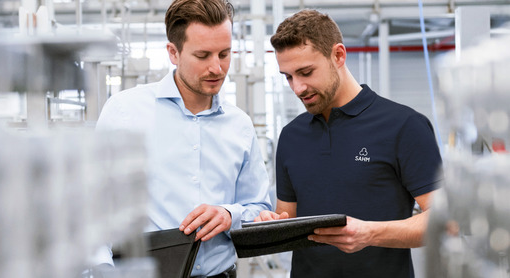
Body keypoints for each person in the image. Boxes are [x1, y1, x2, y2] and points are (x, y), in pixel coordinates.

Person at [254, 9, 443, 278]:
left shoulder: (404, 126)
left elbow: (444, 221)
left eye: (306, 72)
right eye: (288, 76)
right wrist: (270, 224)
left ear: (339, 55)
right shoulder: (291, 135)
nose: (297, 88)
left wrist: (371, 234)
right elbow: (287, 217)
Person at [96, 0, 272, 277]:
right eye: (203, 56)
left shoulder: (240, 125)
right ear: (173, 53)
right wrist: (101, 269)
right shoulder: (124, 112)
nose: (217, 68)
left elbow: (259, 207)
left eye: (224, 54)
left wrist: (229, 215)